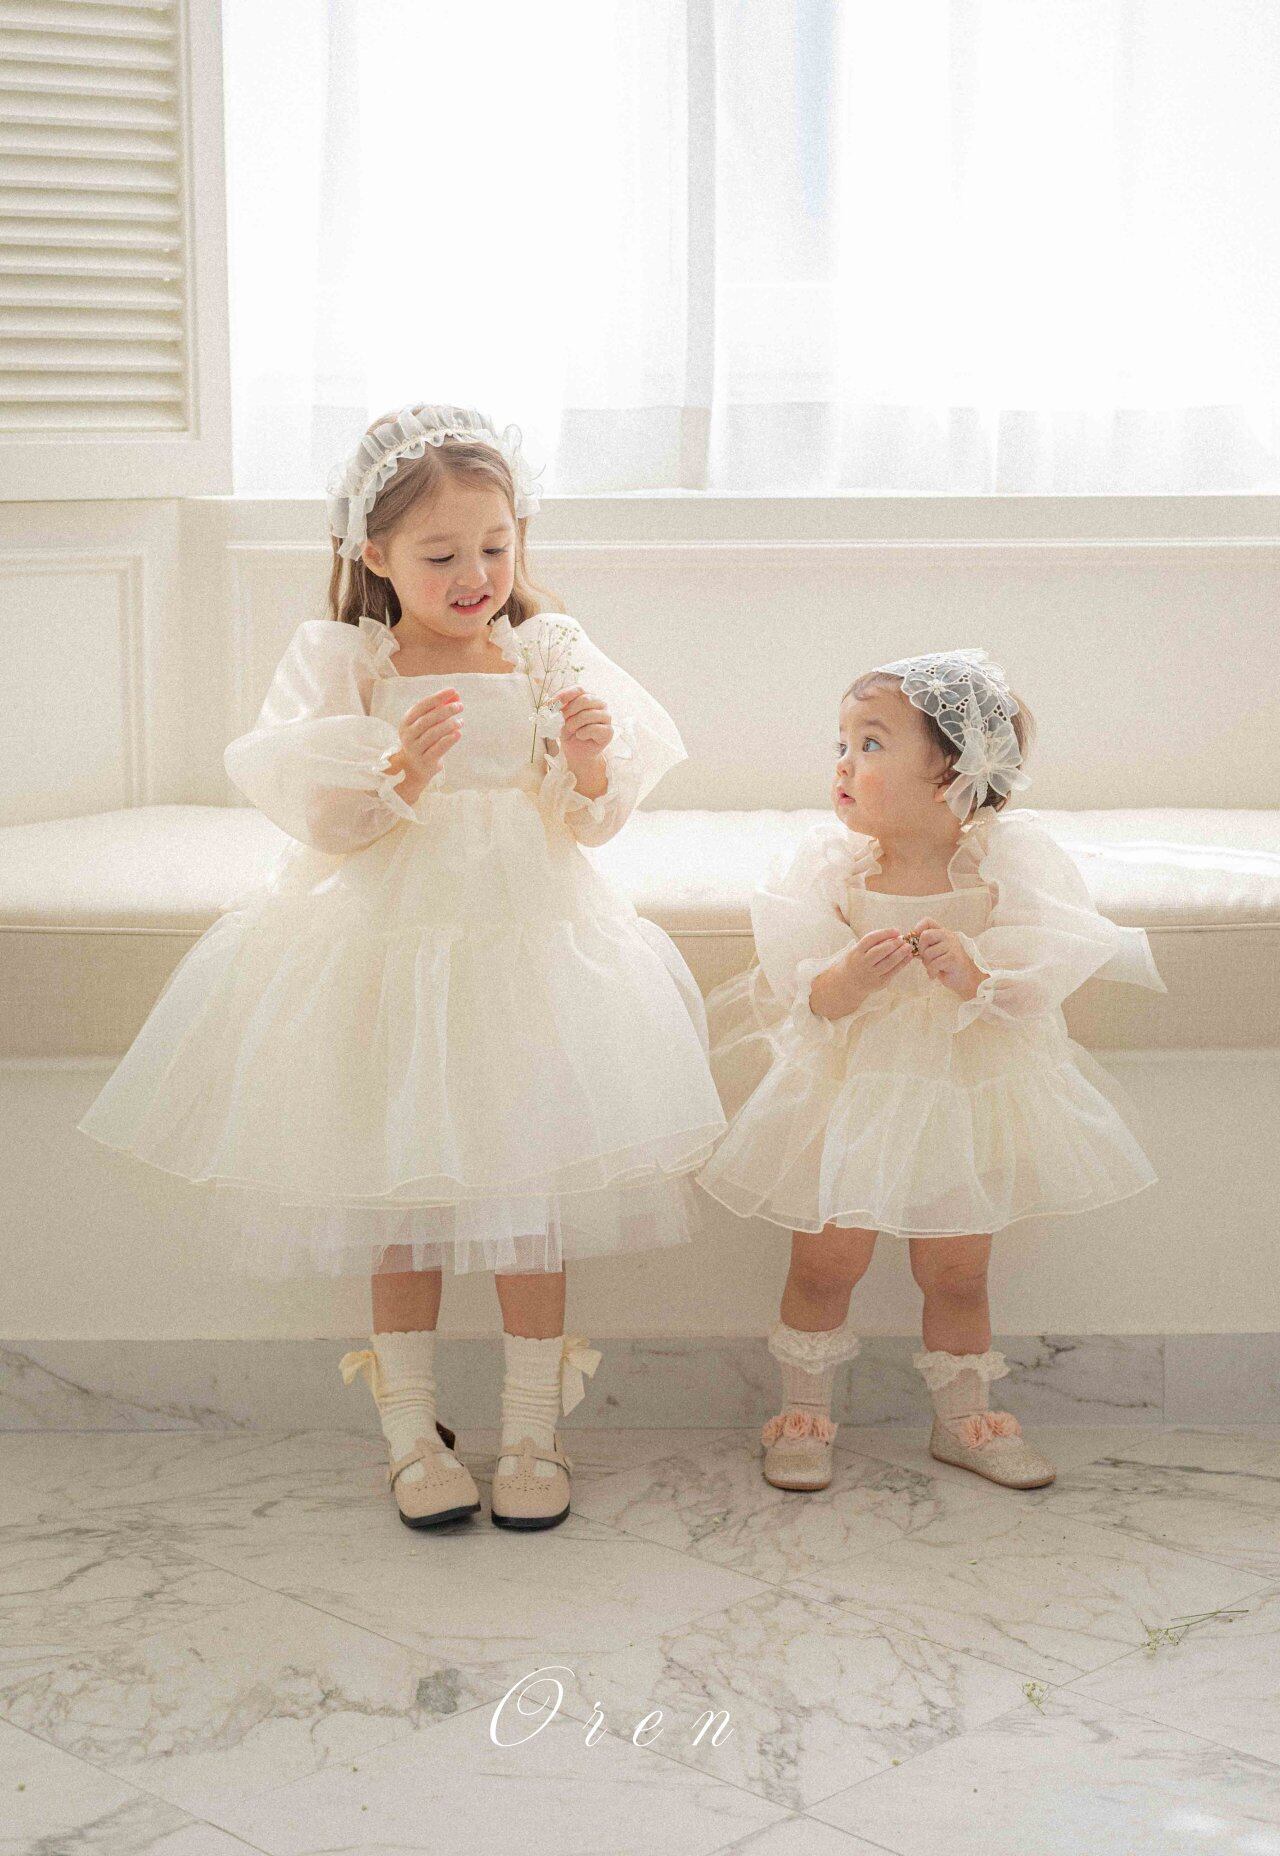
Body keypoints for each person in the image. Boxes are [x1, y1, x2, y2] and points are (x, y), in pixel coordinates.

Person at [78, 403, 726, 1533]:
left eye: (494, 546)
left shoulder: (544, 650)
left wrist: (584, 759)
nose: (474, 576)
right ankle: (410, 1429)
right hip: (394, 952)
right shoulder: (352, 661)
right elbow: (326, 825)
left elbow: (588, 822)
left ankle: (533, 1427)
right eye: (440, 555)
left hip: (530, 947)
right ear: (373, 554)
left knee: (531, 1203)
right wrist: (403, 773)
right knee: (403, 1205)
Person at [695, 647, 1167, 1494]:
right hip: (847, 1091)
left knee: (956, 1272)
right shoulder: (833, 869)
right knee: (825, 1264)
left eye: (871, 744)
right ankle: (803, 1415)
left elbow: (1041, 973)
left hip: (961, 1090)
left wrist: (974, 975)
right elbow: (804, 989)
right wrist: (848, 977)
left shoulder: (1000, 865)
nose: (844, 764)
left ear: (951, 770)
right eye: (841, 744)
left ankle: (964, 1420)